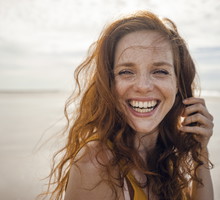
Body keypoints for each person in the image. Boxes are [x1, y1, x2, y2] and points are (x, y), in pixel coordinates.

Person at [41, 10, 214, 200]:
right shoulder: (96, 164)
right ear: (109, 84)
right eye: (126, 72)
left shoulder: (163, 154)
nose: (142, 86)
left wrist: (200, 153)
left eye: (160, 71)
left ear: (178, 85)